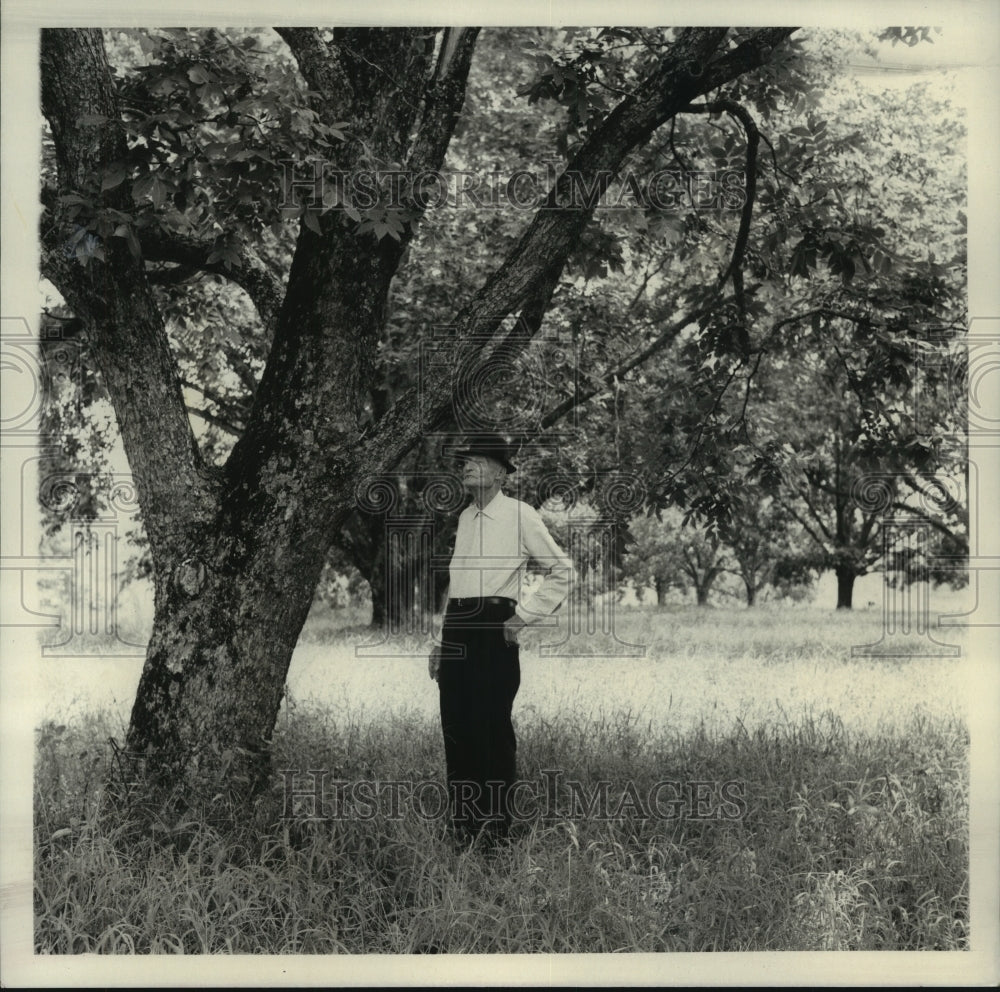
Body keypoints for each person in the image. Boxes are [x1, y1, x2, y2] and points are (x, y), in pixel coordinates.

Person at [428, 433, 574, 846]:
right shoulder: (465, 518)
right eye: (463, 462)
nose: (465, 468)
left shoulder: (520, 514)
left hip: (495, 624)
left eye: (474, 461)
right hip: (458, 625)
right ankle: (462, 830)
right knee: (456, 727)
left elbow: (562, 570)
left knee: (491, 729)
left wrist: (520, 618)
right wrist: (440, 642)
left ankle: (494, 835)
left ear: (498, 472)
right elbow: (456, 586)